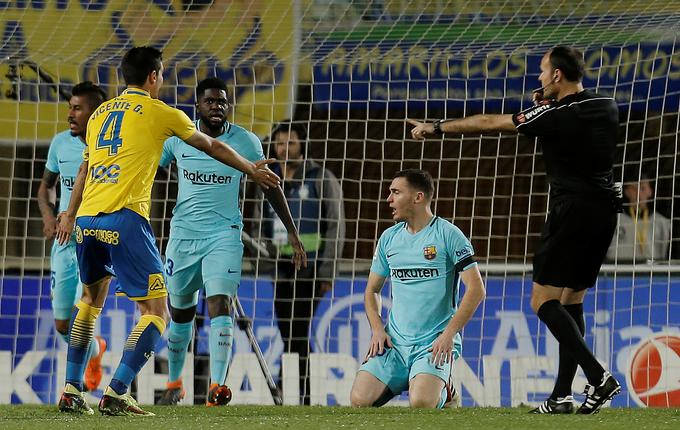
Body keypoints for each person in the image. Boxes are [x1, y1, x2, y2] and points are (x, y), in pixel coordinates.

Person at [54, 46, 280, 416]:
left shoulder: (100, 115)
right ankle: (117, 390)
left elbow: (84, 170)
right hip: (125, 219)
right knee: (158, 311)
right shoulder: (161, 112)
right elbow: (210, 145)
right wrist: (251, 169)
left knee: (90, 300)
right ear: (154, 76)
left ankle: (71, 389)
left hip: (86, 220)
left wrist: (69, 213)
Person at [408, 46, 622, 414]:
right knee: (572, 300)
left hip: (570, 211)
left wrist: (436, 127)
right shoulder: (606, 104)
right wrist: (545, 104)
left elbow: (491, 123)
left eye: (542, 71)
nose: (538, 78)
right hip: (606, 210)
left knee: (542, 302)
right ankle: (561, 396)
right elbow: (568, 118)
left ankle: (599, 376)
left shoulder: (553, 115)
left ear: (557, 75)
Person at [156, 78, 306, 406]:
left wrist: (293, 234)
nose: (217, 107)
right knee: (180, 314)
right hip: (183, 236)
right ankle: (174, 383)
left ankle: (216, 387)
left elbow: (271, 186)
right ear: (198, 106)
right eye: (210, 101)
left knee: (219, 302)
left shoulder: (247, 142)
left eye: (222, 102)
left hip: (224, 235)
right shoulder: (178, 138)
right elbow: (152, 173)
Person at [349, 169, 485, 408]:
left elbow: (476, 289)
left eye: (395, 192)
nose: (388, 199)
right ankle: (408, 377)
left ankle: (446, 390)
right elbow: (372, 291)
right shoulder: (389, 238)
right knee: (359, 400)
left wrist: (448, 335)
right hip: (395, 342)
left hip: (434, 343)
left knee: (421, 403)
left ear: (418, 197)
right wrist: (378, 329)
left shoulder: (448, 235)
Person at [250, 120, 345, 405]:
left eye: (290, 142)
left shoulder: (320, 177)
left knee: (298, 328)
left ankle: (299, 391)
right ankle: (295, 389)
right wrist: (265, 260)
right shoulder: (266, 179)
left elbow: (336, 225)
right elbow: (257, 224)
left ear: (301, 145)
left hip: (311, 268)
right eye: (280, 143)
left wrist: (327, 270)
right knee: (288, 330)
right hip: (280, 269)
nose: (284, 148)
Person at [37, 81, 108, 393]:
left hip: (97, 237)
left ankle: (73, 387)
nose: (71, 114)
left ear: (95, 112)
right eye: (70, 107)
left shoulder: (110, 146)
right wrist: (50, 216)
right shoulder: (60, 144)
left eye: (78, 108)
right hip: (65, 240)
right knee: (63, 324)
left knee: (85, 310)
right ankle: (94, 352)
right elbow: (45, 187)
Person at [606, 171, 671, 262]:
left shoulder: (662, 222)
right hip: (619, 273)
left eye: (643, 189)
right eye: (634, 189)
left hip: (652, 274)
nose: (639, 194)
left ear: (650, 191)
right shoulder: (614, 220)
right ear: (627, 192)